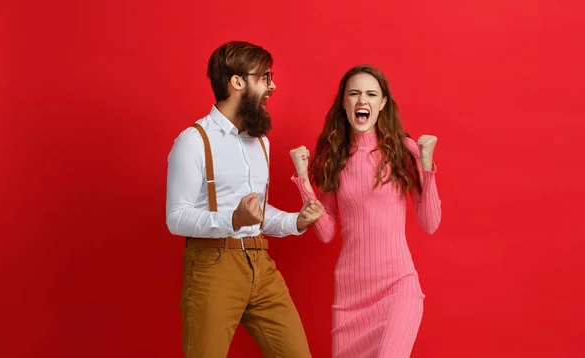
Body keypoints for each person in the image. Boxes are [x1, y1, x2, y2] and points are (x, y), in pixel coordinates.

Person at [166, 41, 324, 358]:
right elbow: (176, 217)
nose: (272, 85)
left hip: (261, 263)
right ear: (237, 82)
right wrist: (232, 221)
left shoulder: (259, 143)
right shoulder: (194, 140)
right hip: (213, 266)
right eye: (264, 77)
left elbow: (257, 212)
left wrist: (296, 220)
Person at [289, 65, 442, 358]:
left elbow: (430, 222)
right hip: (350, 298)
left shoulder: (402, 150)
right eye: (354, 93)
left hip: (398, 286)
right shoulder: (335, 157)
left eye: (371, 94)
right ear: (344, 103)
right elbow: (326, 231)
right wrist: (303, 181)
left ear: (382, 103)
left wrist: (426, 163)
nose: (363, 100)